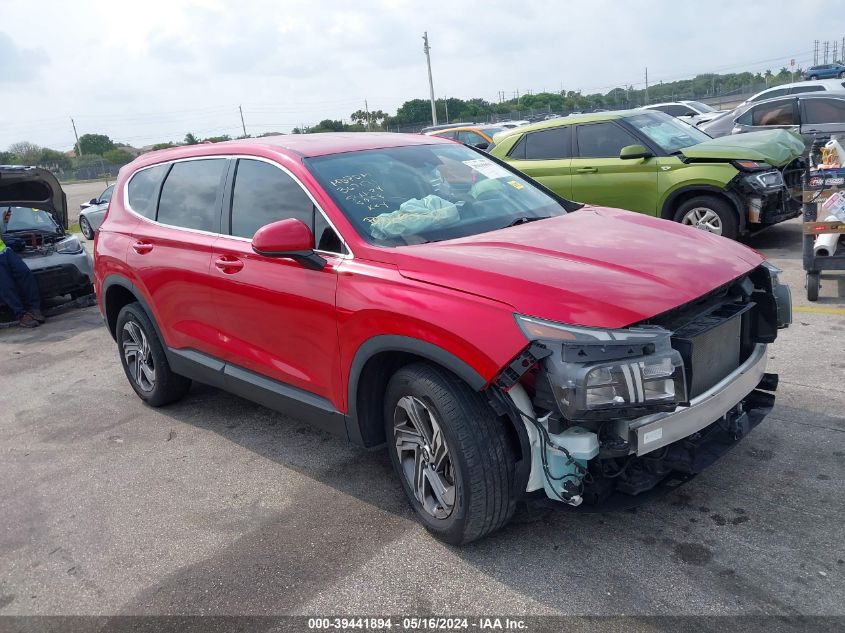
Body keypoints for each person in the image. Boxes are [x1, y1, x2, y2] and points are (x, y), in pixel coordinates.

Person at [0, 208, 44, 328]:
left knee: (25, 274)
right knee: (6, 287)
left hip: (5, 251)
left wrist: (4, 221)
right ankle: (21, 315)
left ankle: (34, 309)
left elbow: (1, 231)